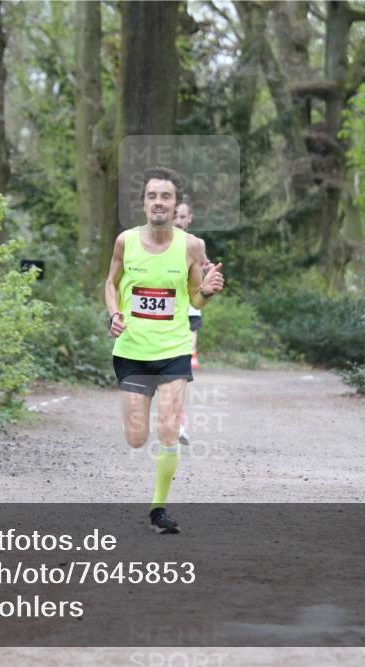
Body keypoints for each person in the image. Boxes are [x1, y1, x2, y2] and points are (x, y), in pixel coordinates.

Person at [105, 167, 224, 534]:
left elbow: (193, 299)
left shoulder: (190, 245)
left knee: (169, 429)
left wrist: (206, 291)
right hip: (132, 351)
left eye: (166, 196)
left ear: (176, 205)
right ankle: (145, 447)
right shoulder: (125, 241)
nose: (159, 202)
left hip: (173, 349)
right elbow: (110, 283)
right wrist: (114, 313)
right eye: (152, 196)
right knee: (137, 438)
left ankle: (158, 508)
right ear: (143, 203)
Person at [172, 199, 210, 446]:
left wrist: (208, 278)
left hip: (188, 314)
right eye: (175, 215)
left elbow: (204, 273)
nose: (177, 220)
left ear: (190, 219)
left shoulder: (196, 244)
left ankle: (178, 423)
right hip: (157, 321)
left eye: (182, 216)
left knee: (180, 373)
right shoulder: (149, 244)